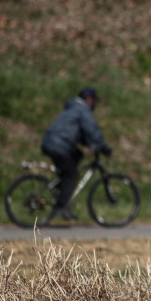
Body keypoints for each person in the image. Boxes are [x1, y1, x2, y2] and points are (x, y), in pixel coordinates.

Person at [41, 87, 112, 221]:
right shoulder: (82, 109)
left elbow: (78, 134)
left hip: (52, 143)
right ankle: (61, 206)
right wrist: (103, 147)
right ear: (89, 100)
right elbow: (92, 131)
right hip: (59, 146)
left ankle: (62, 194)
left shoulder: (72, 108)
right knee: (71, 175)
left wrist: (91, 144)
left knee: (77, 155)